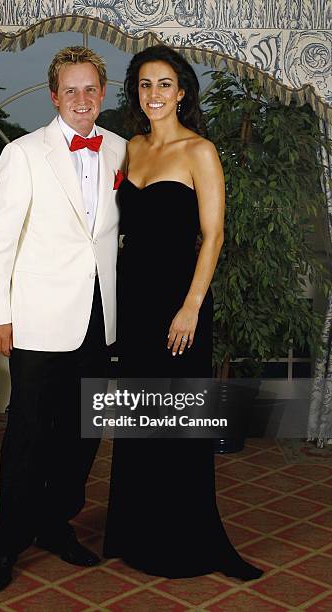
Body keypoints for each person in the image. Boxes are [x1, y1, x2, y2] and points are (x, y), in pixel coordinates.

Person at [103, 45, 264, 581]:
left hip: (180, 302)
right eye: (145, 84)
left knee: (179, 424)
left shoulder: (201, 151)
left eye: (164, 84)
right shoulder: (130, 149)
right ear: (137, 92)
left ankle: (187, 539)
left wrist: (192, 305)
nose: (154, 94)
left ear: (183, 91)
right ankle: (136, 532)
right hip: (134, 301)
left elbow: (213, 235)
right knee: (139, 419)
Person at [0, 46, 126, 590]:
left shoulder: (120, 150)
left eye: (91, 89)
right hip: (38, 318)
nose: (81, 99)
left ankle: (55, 523)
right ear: (54, 95)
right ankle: (6, 541)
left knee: (84, 432)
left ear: (103, 94)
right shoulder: (23, 153)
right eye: (71, 90)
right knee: (28, 433)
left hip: (98, 318)